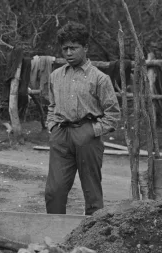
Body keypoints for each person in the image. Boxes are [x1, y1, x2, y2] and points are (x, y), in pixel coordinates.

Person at [44, 21, 121, 216]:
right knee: (54, 191)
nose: (69, 53)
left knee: (92, 192)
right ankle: (55, 238)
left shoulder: (100, 79)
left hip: (87, 135)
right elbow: (52, 105)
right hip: (61, 135)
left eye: (74, 48)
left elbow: (113, 114)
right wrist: (52, 126)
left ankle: (93, 238)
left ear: (85, 48)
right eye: (65, 49)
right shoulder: (55, 76)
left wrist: (92, 131)